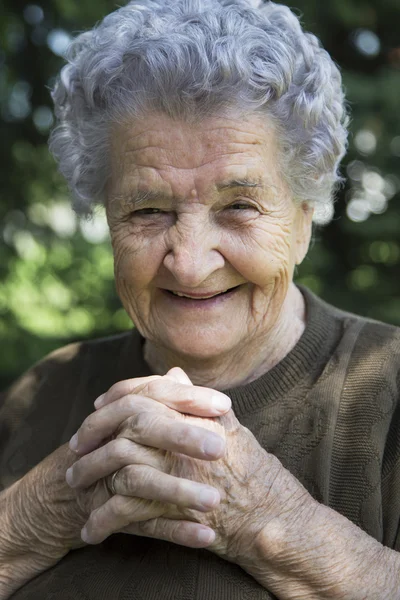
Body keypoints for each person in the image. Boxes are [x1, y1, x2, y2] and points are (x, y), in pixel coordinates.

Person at [0, 0, 399, 598]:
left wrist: (273, 522)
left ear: (303, 221)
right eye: (147, 210)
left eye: (238, 206)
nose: (189, 260)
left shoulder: (388, 390)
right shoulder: (46, 391)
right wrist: (40, 510)